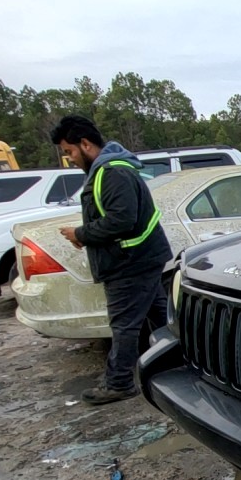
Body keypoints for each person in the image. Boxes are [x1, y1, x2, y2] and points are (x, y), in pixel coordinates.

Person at [51, 115, 172, 405]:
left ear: (85, 144)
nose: (69, 159)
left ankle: (118, 382)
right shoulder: (107, 171)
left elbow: (121, 220)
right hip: (137, 258)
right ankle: (183, 363)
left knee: (124, 325)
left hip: (129, 262)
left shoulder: (111, 173)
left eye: (69, 152)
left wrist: (81, 233)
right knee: (163, 317)